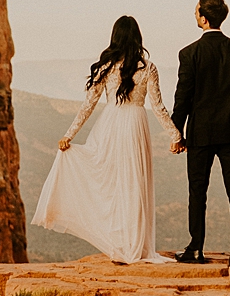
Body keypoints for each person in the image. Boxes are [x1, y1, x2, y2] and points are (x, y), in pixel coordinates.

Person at [31, 15, 183, 264]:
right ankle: (135, 245)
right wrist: (175, 135)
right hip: (135, 125)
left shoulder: (107, 66)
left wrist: (70, 135)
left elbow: (88, 105)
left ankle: (121, 244)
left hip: (111, 126)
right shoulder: (148, 68)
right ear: (137, 37)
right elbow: (158, 107)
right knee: (135, 183)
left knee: (113, 185)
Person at [170, 0, 230, 265]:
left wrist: (177, 133)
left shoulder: (189, 53)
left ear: (203, 18)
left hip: (200, 133)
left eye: (196, 11)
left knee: (197, 191)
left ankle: (196, 249)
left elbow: (182, 97)